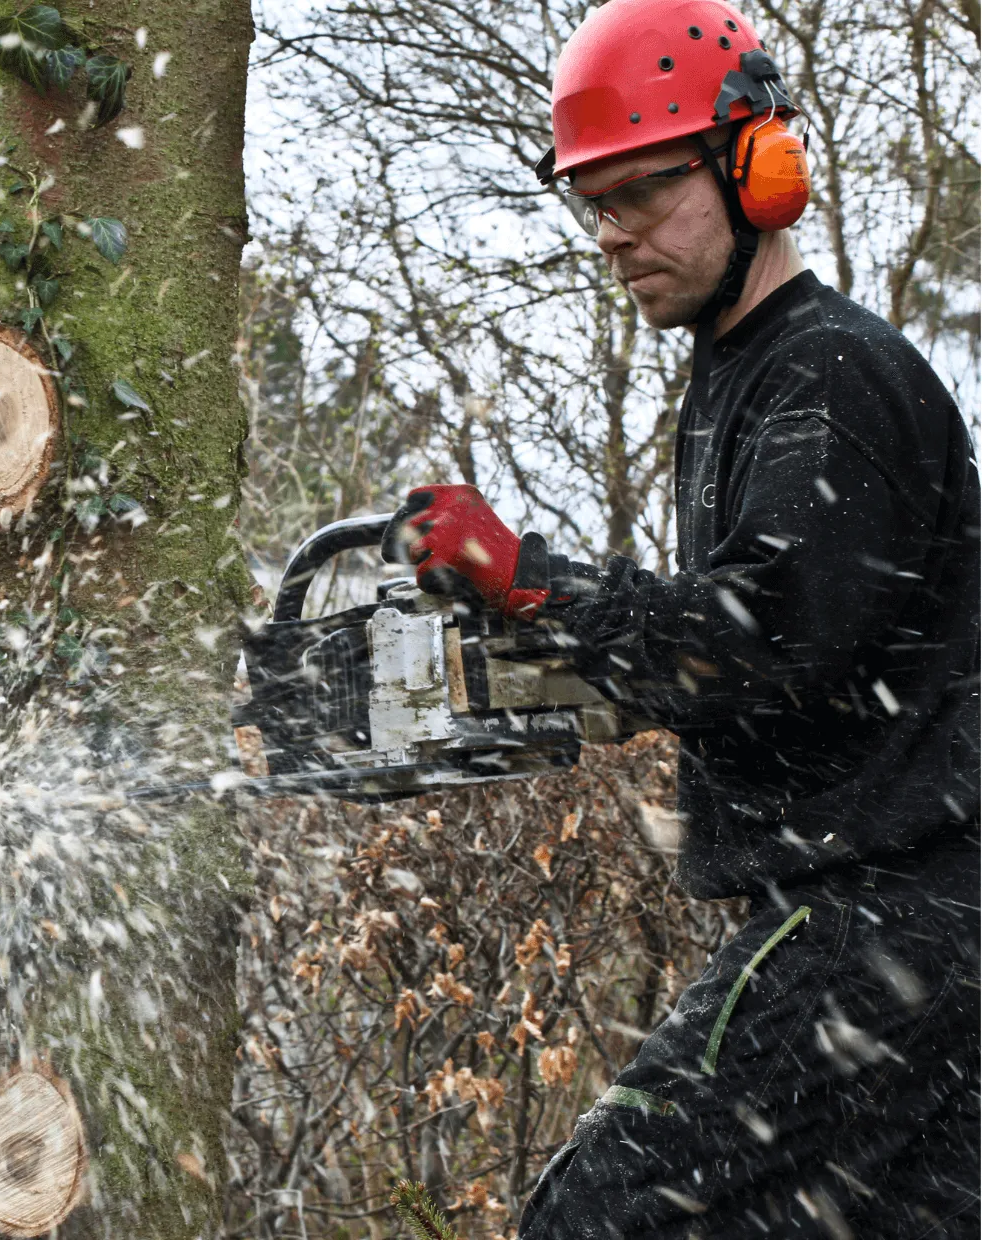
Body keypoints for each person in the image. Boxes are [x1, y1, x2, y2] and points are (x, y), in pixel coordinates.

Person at [384, 0, 981, 1233]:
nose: (612, 232)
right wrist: (546, 670)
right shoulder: (738, 378)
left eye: (644, 192)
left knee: (597, 1217)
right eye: (591, 201)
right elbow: (748, 653)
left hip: (873, 909)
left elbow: (757, 635)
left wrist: (530, 579)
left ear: (753, 164)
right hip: (920, 923)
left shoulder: (823, 370)